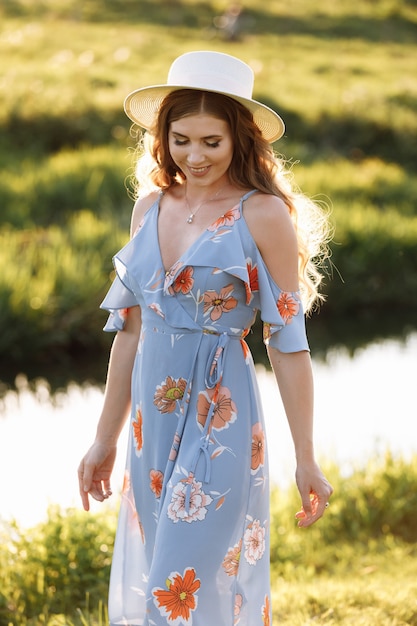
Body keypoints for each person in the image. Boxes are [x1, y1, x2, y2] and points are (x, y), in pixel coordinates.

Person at [78, 50, 333, 626]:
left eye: (211, 142)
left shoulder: (263, 214)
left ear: (240, 141)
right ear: (161, 138)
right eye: (181, 139)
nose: (194, 156)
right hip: (152, 419)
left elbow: (288, 344)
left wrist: (307, 458)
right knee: (162, 584)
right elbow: (129, 332)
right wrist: (103, 439)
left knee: (183, 583)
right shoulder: (149, 207)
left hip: (221, 416)